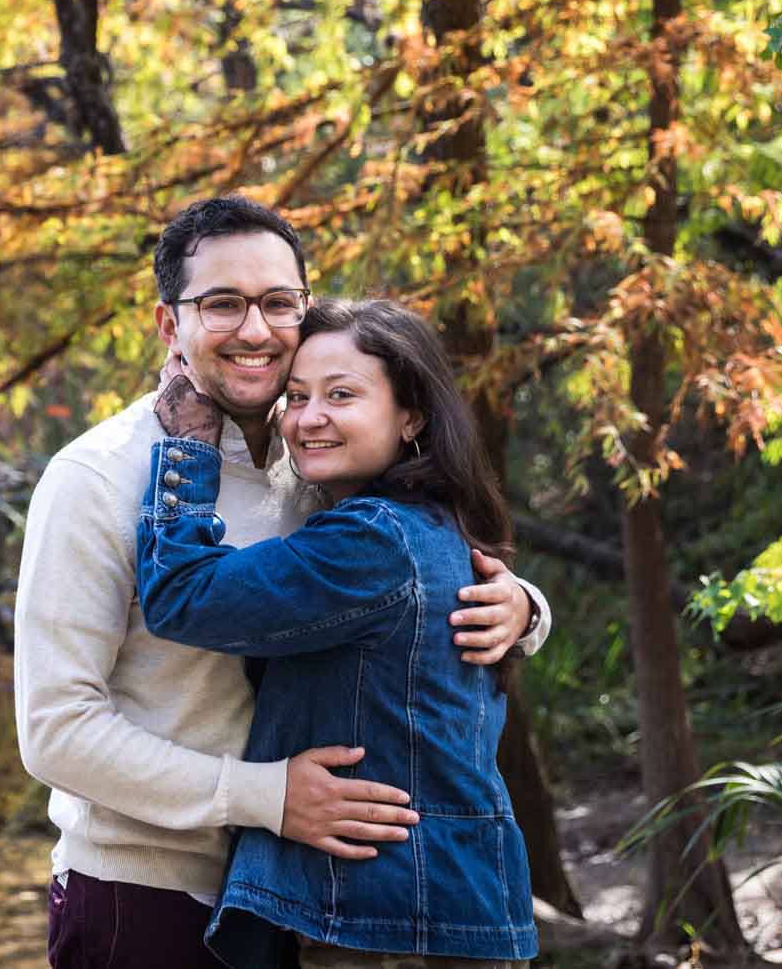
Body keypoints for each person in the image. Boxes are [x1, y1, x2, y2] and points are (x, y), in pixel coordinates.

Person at [14, 196, 549, 968]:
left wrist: (523, 608)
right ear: (171, 325)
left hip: (302, 899)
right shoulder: (98, 479)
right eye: (223, 304)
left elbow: (403, 585)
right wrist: (268, 797)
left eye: (277, 302)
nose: (257, 329)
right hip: (148, 892)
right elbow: (55, 731)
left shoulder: (320, 468)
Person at [138, 298, 538, 968]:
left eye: (341, 394)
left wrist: (186, 447)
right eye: (295, 396)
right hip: (429, 907)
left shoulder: (371, 538)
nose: (309, 417)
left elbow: (183, 596)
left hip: (386, 918)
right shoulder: (432, 525)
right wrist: (530, 608)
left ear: (411, 414)